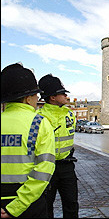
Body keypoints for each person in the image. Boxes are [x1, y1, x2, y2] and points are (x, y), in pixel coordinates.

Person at [1, 63, 55, 218]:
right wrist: (16, 207)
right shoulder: (39, 123)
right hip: (29, 204)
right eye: (36, 95)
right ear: (27, 98)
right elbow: (44, 171)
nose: (37, 98)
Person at [37, 74, 78, 218]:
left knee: (72, 204)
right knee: (46, 206)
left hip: (67, 166)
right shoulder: (39, 117)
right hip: (47, 167)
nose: (66, 96)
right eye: (62, 93)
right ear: (52, 97)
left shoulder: (69, 114)